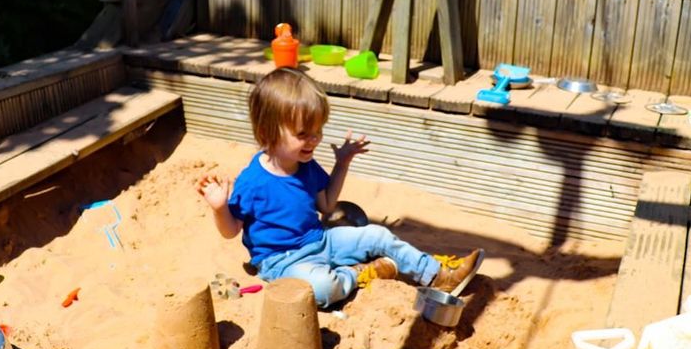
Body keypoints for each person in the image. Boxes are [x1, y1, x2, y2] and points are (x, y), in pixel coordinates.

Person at [196, 67, 484, 308]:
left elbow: (327, 207)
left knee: (377, 234)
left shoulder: (305, 164)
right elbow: (230, 231)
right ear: (267, 133)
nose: (314, 140)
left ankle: (439, 275)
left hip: (322, 241)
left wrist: (342, 163)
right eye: (302, 134)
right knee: (321, 289)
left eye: (318, 131)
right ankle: (360, 273)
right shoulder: (252, 182)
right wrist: (220, 206)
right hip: (282, 262)